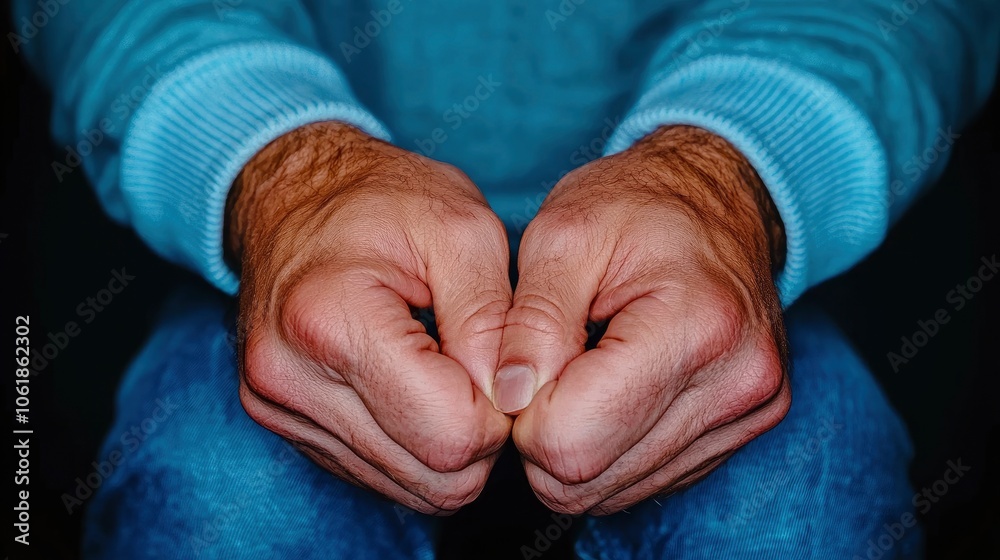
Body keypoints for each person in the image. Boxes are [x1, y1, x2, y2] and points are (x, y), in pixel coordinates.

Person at [14, 0, 998, 557]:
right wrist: (289, 178)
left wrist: (721, 180)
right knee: (215, 497)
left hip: (709, 262)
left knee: (795, 518)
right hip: (300, 251)